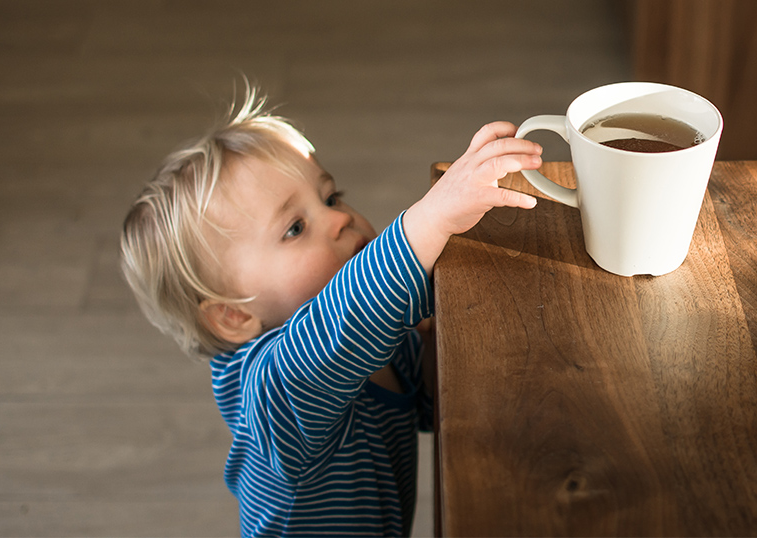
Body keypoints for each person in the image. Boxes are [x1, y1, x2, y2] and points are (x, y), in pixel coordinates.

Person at [120, 85, 542, 537]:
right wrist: (429, 221)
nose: (339, 218)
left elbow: (431, 396)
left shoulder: (379, 331)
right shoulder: (270, 392)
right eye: (295, 228)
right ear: (234, 316)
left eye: (330, 197)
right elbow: (338, 329)